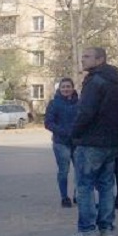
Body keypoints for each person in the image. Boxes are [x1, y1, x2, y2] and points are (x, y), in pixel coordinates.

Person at [68, 47, 118, 236]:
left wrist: (74, 133)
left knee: (85, 186)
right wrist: (113, 126)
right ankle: (106, 228)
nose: (82, 60)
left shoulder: (95, 81)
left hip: (91, 141)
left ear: (100, 59)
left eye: (87, 56)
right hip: (111, 142)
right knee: (106, 186)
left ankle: (88, 230)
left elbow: (86, 112)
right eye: (83, 56)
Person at [44, 78, 79, 208]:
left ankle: (78, 195)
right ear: (59, 89)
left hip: (77, 142)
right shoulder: (54, 103)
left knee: (80, 170)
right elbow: (48, 123)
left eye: (68, 86)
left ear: (73, 88)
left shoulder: (80, 103)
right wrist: (63, 131)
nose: (66, 89)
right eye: (63, 87)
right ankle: (64, 197)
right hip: (61, 142)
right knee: (64, 171)